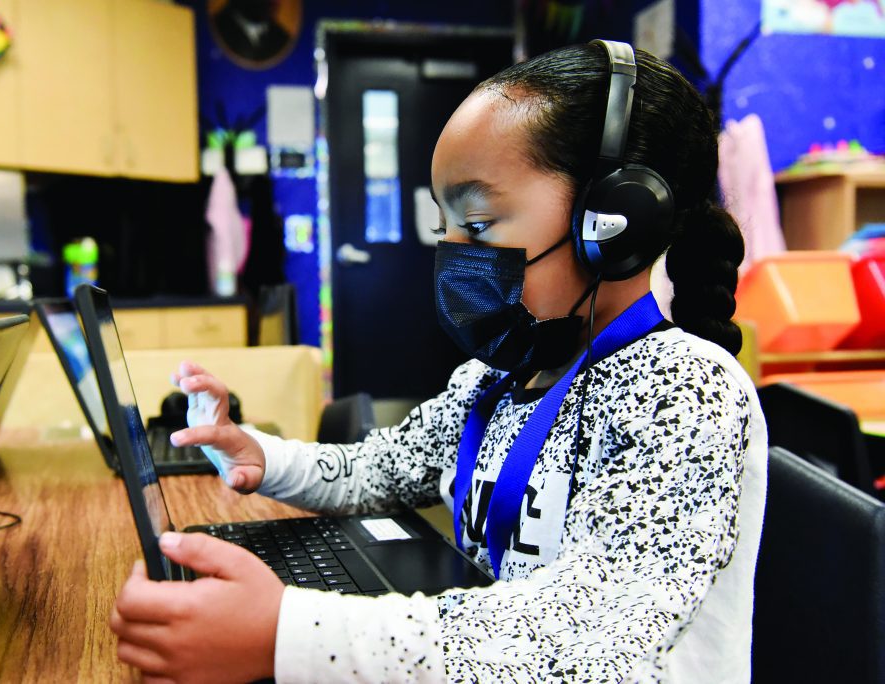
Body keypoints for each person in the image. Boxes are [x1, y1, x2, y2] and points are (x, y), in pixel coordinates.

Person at [108, 41, 767, 683]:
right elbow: (382, 469)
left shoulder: (686, 392)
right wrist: (262, 455)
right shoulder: (500, 377)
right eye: (444, 225)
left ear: (614, 221)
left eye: (477, 225)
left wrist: (289, 635)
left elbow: (587, 634)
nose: (452, 250)